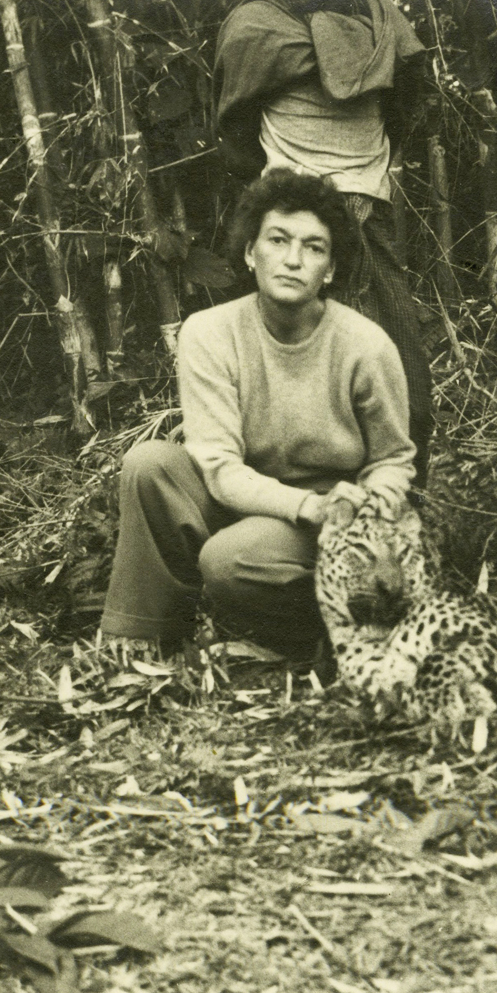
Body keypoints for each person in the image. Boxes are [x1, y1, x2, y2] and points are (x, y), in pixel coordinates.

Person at [99, 170, 415, 658]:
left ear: (330, 269)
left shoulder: (365, 346)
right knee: (150, 464)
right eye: (278, 240)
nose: (293, 259)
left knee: (229, 560)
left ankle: (322, 638)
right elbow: (219, 468)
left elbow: (394, 459)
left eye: (314, 248)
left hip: (330, 512)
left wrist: (360, 518)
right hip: (246, 495)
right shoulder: (209, 333)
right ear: (250, 252)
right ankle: (144, 632)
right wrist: (300, 505)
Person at [215, 0, 433, 486]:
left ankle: (397, 512)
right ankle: (291, 510)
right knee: (287, 371)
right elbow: (236, 128)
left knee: (399, 371)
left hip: (364, 213)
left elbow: (404, 105)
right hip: (290, 218)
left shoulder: (381, 19)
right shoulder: (257, 27)